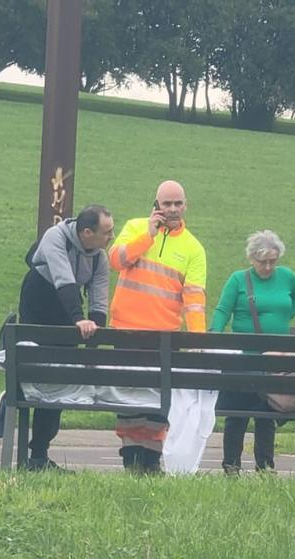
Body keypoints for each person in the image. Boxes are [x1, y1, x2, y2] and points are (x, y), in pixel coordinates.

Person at [0, 204, 114, 471]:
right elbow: (63, 280)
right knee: (39, 365)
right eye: (107, 232)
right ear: (87, 232)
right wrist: (78, 319)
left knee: (59, 377)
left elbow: (100, 299)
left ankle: (38, 456)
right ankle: (15, 390)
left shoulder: (100, 257)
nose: (111, 237)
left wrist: (93, 337)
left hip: (68, 307)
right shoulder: (55, 237)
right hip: (40, 297)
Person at [108, 180, 207, 473]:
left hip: (164, 337)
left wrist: (197, 340)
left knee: (156, 403)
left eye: (178, 203)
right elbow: (116, 260)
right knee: (128, 399)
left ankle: (149, 460)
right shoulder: (135, 227)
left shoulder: (194, 248)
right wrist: (148, 236)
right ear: (156, 205)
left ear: (185, 205)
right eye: (167, 204)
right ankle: (131, 459)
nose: (173, 209)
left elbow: (195, 301)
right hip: (126, 331)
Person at [209, 230, 295, 474]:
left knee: (267, 412)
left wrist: (285, 316)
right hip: (244, 357)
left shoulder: (286, 276)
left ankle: (265, 465)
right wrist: (214, 334)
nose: (267, 266)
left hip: (276, 357)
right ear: (251, 259)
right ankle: (231, 464)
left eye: (272, 261)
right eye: (262, 261)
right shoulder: (238, 280)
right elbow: (223, 309)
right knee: (237, 413)